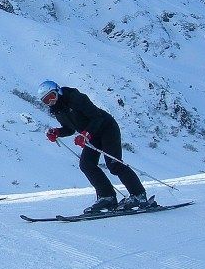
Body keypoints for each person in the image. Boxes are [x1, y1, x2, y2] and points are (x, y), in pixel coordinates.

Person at [38, 80, 152, 214]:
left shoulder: (75, 98)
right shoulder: (58, 111)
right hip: (92, 135)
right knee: (86, 165)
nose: (51, 102)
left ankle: (138, 195)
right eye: (46, 101)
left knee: (114, 164)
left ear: (58, 91)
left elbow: (97, 117)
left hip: (106, 128)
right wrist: (57, 132)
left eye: (51, 97)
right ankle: (107, 197)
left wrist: (86, 133)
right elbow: (69, 128)